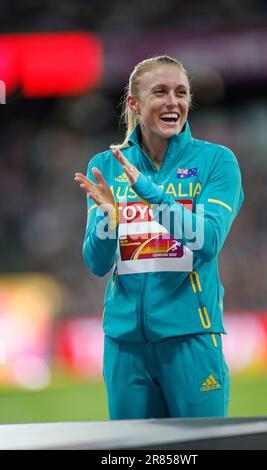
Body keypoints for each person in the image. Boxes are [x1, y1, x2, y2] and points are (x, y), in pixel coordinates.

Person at [74, 55, 244, 420]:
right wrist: (109, 221)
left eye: (181, 92)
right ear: (135, 103)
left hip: (191, 339)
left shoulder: (217, 162)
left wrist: (150, 192)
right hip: (124, 345)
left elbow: (208, 239)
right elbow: (96, 262)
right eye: (161, 92)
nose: (174, 102)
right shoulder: (105, 167)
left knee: (200, 452)